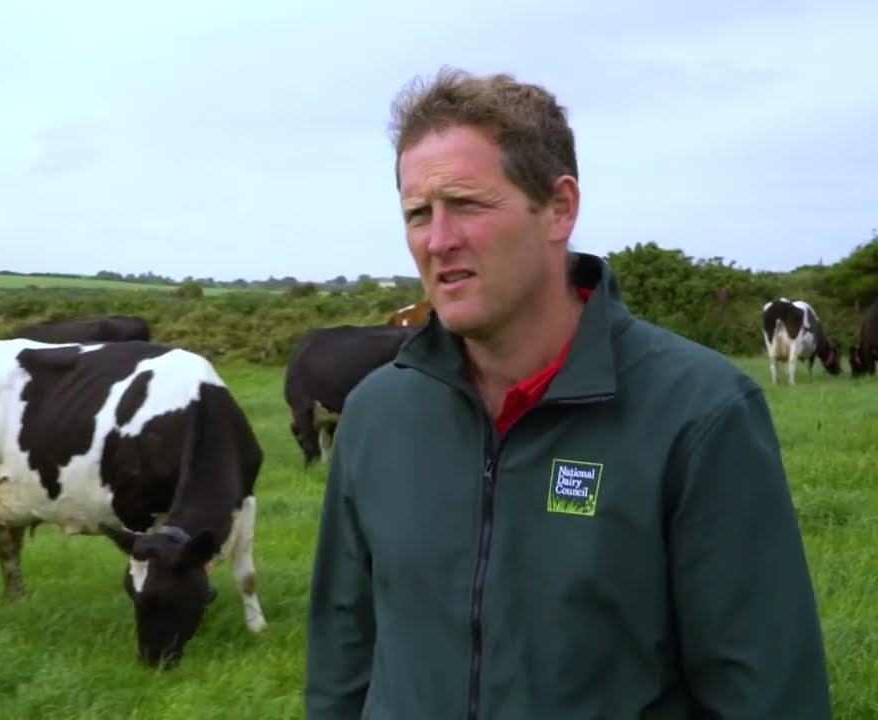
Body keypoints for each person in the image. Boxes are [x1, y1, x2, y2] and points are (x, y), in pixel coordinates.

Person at [302, 67, 832, 719]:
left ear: (559, 208)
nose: (438, 240)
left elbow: (766, 693)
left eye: (467, 203)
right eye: (418, 213)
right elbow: (341, 660)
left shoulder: (700, 413)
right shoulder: (377, 414)